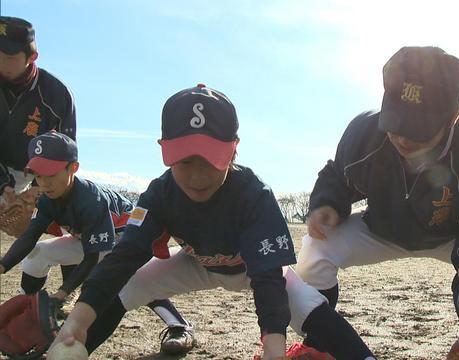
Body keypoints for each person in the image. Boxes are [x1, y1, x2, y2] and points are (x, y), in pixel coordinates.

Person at [49, 85, 376, 360]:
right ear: (164, 150)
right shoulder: (159, 194)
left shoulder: (254, 195)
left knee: (309, 306)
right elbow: (124, 257)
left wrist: (273, 346)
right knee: (128, 285)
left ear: (234, 149)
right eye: (185, 160)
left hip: (253, 270)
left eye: (211, 159)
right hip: (195, 262)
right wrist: (77, 320)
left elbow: (267, 279)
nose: (197, 175)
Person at [295, 46, 459, 359]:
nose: (403, 137)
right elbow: (338, 175)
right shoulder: (365, 133)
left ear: (453, 118)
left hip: (450, 236)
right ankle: (324, 347)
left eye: (418, 129)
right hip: (382, 230)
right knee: (315, 248)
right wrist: (327, 204)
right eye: (397, 122)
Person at [0, 131, 197, 355]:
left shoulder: (90, 200)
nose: (43, 182)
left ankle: (179, 324)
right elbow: (29, 236)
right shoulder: (47, 197)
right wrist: (3, 265)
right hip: (90, 239)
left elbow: (92, 257)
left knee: (128, 279)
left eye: (50, 173)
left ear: (72, 168)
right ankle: (27, 309)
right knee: (37, 253)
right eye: (38, 175)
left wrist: (63, 292)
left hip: (124, 238)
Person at [0, 15, 78, 300]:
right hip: (1, 169)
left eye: (7, 54)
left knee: (71, 213)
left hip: (39, 170)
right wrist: (4, 188)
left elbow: (67, 151)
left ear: (31, 56)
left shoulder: (56, 94)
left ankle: (64, 296)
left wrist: (37, 191)